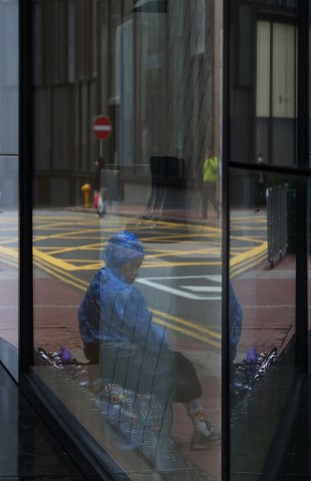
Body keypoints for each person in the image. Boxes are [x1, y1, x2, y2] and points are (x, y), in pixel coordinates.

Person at [78, 231, 222, 450]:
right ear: (119, 262)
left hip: (102, 353)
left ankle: (199, 428)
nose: (136, 272)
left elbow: (83, 316)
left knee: (177, 365)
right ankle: (186, 431)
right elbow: (145, 333)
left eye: (139, 266)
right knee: (179, 369)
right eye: (132, 266)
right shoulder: (126, 294)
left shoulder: (100, 279)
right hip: (125, 356)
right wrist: (163, 349)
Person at [201, 148, 219, 219]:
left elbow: (215, 168)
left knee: (212, 198)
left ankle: (219, 211)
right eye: (206, 152)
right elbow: (204, 171)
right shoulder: (206, 161)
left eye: (208, 152)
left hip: (212, 182)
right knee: (204, 199)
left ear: (211, 153)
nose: (206, 154)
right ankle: (204, 214)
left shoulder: (215, 160)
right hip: (206, 182)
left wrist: (209, 160)